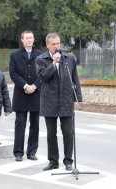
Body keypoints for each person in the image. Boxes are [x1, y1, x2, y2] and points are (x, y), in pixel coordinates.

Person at [35, 33, 83, 171]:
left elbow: (75, 79)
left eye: (58, 43)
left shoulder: (69, 58)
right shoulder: (40, 59)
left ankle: (68, 161)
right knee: (51, 134)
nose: (56, 46)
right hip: (49, 101)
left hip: (66, 100)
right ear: (47, 45)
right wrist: (53, 63)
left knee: (68, 132)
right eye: (53, 44)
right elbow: (43, 77)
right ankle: (53, 161)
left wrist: (77, 98)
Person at [9, 30, 43, 161]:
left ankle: (32, 152)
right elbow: (13, 73)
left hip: (36, 94)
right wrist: (25, 85)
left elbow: (43, 73)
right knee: (20, 124)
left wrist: (34, 86)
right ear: (22, 40)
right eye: (27, 38)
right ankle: (18, 152)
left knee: (35, 125)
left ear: (34, 39)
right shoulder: (15, 55)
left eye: (31, 38)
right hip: (21, 94)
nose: (29, 40)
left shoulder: (40, 55)